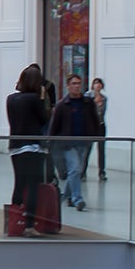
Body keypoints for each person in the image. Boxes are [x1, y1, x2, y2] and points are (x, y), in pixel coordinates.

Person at [7, 65, 53, 236]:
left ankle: (14, 222)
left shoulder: (11, 99)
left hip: (16, 146)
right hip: (33, 146)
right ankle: (29, 225)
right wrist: (42, 99)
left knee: (19, 183)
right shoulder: (35, 99)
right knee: (33, 184)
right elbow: (43, 119)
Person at [49, 75, 98, 212]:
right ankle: (78, 199)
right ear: (68, 86)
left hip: (84, 143)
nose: (77, 86)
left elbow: (94, 120)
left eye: (79, 83)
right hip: (68, 144)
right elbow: (54, 126)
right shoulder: (62, 105)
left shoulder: (88, 103)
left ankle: (67, 196)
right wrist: (51, 142)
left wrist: (95, 135)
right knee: (75, 169)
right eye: (74, 83)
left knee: (76, 171)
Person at [84, 78, 108, 182]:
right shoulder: (88, 95)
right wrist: (94, 102)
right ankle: (82, 171)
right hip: (90, 126)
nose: (97, 86)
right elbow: (86, 108)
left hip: (100, 125)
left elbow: (102, 112)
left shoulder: (104, 98)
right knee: (87, 150)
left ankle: (101, 172)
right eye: (96, 83)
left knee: (101, 150)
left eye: (99, 84)